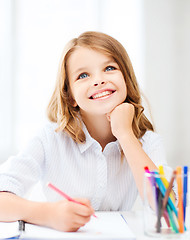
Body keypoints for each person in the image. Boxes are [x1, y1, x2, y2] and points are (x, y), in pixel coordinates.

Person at [0, 31, 173, 232]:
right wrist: (49, 214)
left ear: (126, 79)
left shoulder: (148, 142)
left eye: (109, 68)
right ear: (70, 96)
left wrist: (125, 135)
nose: (98, 80)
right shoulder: (48, 139)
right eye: (83, 75)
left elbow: (168, 210)